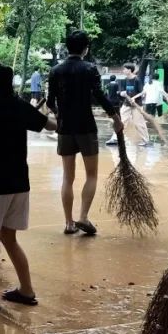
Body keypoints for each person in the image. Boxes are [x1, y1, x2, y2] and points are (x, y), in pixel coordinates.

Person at [0, 61, 55, 309]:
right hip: (19, 183)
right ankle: (26, 290)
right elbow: (51, 125)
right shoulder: (19, 105)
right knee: (9, 238)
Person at [47, 32, 124, 236]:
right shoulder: (89, 69)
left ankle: (68, 223)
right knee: (91, 175)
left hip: (65, 129)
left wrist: (59, 115)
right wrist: (115, 117)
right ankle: (82, 217)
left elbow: (50, 102)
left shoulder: (55, 70)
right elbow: (99, 95)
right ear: (85, 48)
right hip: (86, 127)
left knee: (67, 177)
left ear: (67, 47)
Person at [117, 64, 149, 146]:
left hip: (136, 105)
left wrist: (134, 97)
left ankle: (145, 140)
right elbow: (121, 91)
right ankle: (117, 138)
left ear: (129, 70)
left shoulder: (137, 79)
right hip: (126, 103)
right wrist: (121, 93)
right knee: (122, 121)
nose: (123, 71)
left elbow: (143, 92)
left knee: (139, 123)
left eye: (124, 69)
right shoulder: (125, 80)